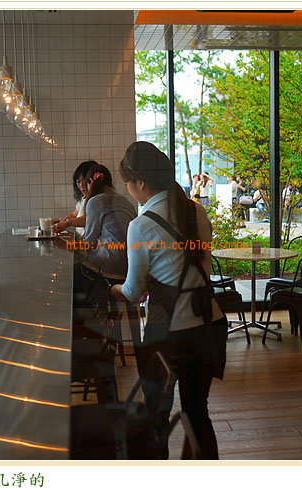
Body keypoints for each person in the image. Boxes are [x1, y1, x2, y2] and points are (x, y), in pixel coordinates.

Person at [111, 141, 226, 460]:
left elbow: (134, 292)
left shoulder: (140, 226)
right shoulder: (196, 211)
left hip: (168, 334)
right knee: (197, 413)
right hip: (207, 326)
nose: (129, 189)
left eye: (128, 183)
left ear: (140, 183)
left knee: (156, 416)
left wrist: (114, 290)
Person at [73, 164, 137, 291]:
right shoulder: (126, 201)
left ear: (91, 183)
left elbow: (88, 243)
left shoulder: (95, 201)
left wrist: (71, 246)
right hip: (127, 269)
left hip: (106, 268)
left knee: (66, 279)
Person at [52, 160, 95, 237]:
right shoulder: (83, 198)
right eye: (78, 181)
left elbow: (89, 219)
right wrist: (60, 225)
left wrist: (67, 223)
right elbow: (73, 214)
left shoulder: (96, 200)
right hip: (81, 241)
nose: (81, 185)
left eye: (84, 180)